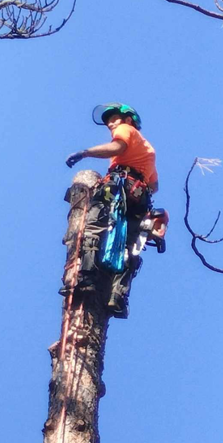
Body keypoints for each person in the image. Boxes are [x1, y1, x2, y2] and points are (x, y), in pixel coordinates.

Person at [64, 103, 159, 319]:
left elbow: (117, 148)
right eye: (108, 121)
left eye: (114, 118)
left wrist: (84, 153)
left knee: (93, 227)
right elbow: (154, 185)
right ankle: (117, 295)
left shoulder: (126, 130)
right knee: (129, 247)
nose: (110, 124)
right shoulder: (147, 149)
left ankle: (86, 278)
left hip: (120, 188)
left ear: (128, 120)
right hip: (139, 197)